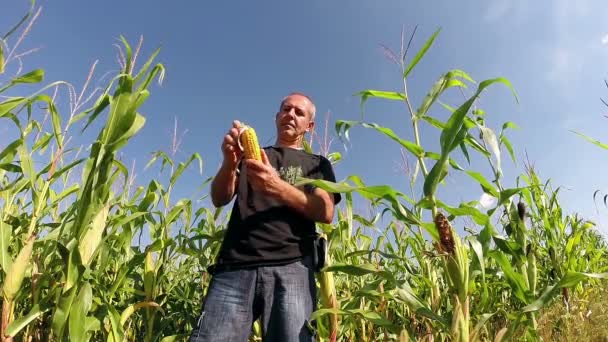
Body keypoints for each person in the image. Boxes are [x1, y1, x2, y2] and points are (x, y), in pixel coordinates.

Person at [190, 92, 341, 342]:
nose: (290, 114)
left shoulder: (317, 163)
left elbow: (325, 212)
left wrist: (277, 186)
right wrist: (229, 162)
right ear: (277, 116)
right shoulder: (254, 156)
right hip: (234, 265)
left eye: (298, 112)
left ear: (310, 126)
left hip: (292, 268)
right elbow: (219, 198)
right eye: (286, 109)